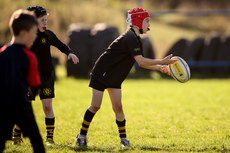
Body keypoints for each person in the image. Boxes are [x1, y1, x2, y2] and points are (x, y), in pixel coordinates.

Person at [75, 8, 177, 148]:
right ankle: (81, 135)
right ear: (137, 22)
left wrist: (159, 68)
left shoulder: (136, 39)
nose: (149, 24)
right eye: (147, 21)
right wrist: (161, 62)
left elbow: (141, 62)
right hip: (101, 73)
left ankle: (123, 140)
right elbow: (141, 61)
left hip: (115, 76)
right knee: (96, 106)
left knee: (118, 107)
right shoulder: (129, 38)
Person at [12, 6, 79, 145]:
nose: (45, 23)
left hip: (46, 77)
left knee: (47, 107)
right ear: (32, 21)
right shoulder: (26, 37)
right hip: (29, 78)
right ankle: (16, 135)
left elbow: (61, 45)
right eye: (42, 20)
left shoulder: (48, 35)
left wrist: (70, 53)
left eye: (46, 20)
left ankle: (49, 139)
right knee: (25, 107)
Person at [0, 9, 45, 153]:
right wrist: (32, 95)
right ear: (24, 33)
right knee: (36, 141)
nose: (35, 37)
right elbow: (35, 84)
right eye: (34, 33)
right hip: (22, 106)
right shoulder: (29, 56)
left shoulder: (2, 52)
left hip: (2, 106)